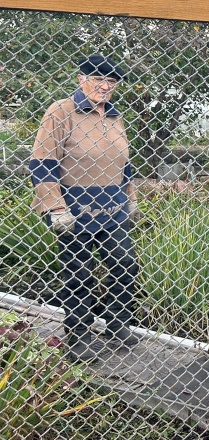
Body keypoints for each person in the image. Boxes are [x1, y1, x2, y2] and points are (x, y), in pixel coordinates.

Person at [29, 54, 142, 363]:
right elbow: (41, 163)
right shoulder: (61, 112)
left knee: (125, 264)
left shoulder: (114, 116)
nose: (104, 86)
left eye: (111, 82)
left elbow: (124, 164)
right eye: (97, 79)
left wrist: (131, 198)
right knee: (79, 273)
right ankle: (79, 333)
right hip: (74, 208)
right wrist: (55, 207)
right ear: (81, 79)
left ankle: (117, 324)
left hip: (113, 207)